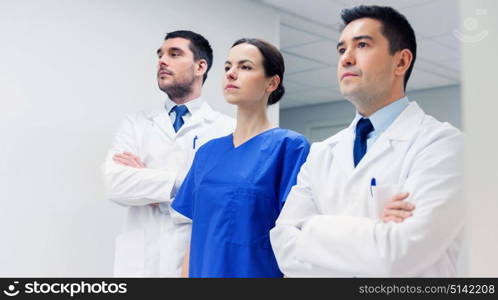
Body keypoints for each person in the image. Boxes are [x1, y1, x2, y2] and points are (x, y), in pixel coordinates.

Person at [270, 5, 464, 277]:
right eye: (341, 49)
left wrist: (313, 227)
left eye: (362, 45)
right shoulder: (322, 153)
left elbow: (399, 255)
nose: (346, 58)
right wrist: (376, 226)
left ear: (401, 61)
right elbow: (283, 246)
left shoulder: (442, 144)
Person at [170, 38, 310, 278]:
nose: (231, 74)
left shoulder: (289, 147)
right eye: (227, 67)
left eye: (245, 67)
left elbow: (298, 239)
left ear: (272, 82)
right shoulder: (207, 153)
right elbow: (197, 233)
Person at [102, 30, 235, 277]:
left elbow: (221, 200)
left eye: (174, 54)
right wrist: (183, 186)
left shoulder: (227, 129)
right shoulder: (136, 124)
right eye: (160, 54)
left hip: (194, 262)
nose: (162, 60)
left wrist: (148, 182)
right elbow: (114, 184)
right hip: (139, 265)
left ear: (200, 67)